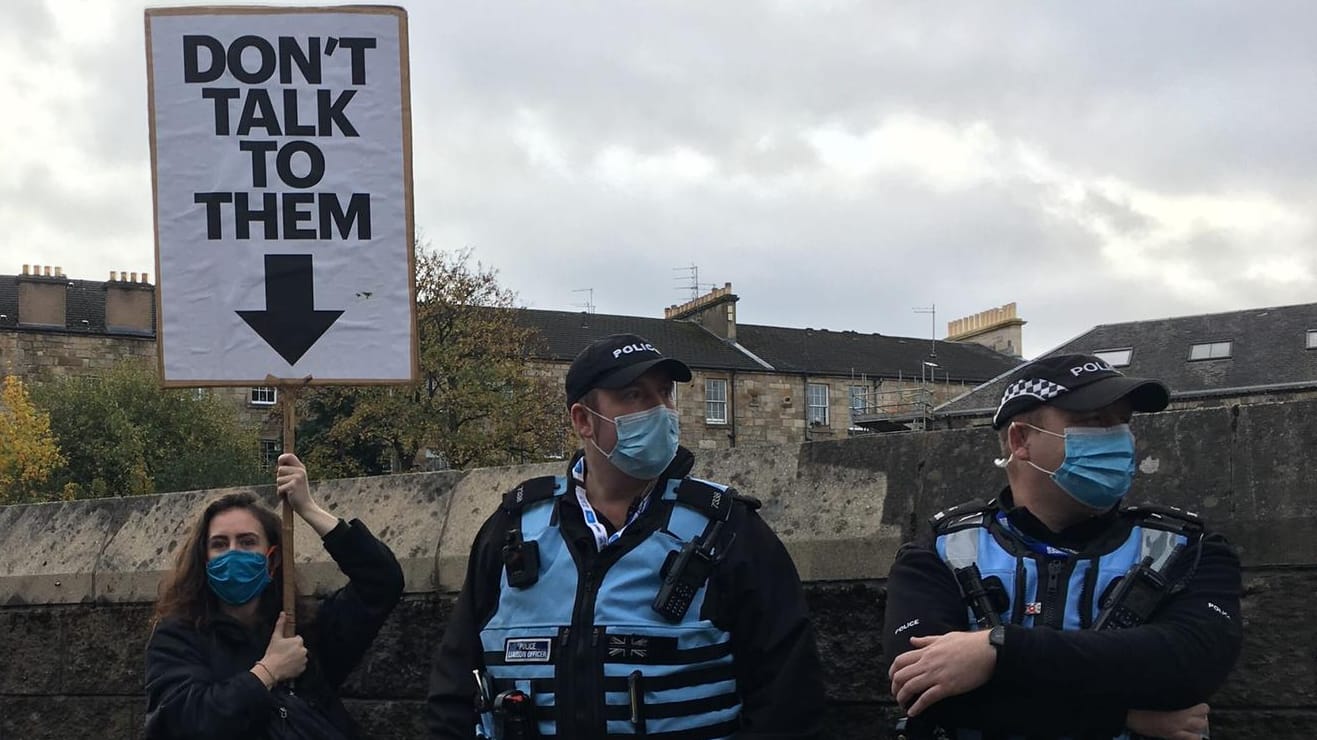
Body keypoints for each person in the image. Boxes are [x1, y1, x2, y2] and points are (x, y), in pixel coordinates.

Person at [427, 333, 825, 739]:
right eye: (634, 395)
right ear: (583, 420)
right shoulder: (513, 529)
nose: (660, 410)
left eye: (665, 394)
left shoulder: (726, 528)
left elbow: (789, 696)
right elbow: (454, 691)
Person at [882, 354, 1243, 739]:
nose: (1119, 438)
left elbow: (1188, 665)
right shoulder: (939, 552)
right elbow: (926, 694)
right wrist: (1121, 717)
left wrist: (999, 650)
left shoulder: (1187, 548)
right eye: (1094, 422)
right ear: (1021, 441)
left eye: (1123, 422)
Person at [144, 453, 404, 739]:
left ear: (272, 558)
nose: (233, 553)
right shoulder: (178, 637)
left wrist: (309, 508)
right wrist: (268, 672)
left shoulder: (302, 632)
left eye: (247, 542)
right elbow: (184, 721)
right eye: (220, 544)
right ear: (203, 559)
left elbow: (382, 581)